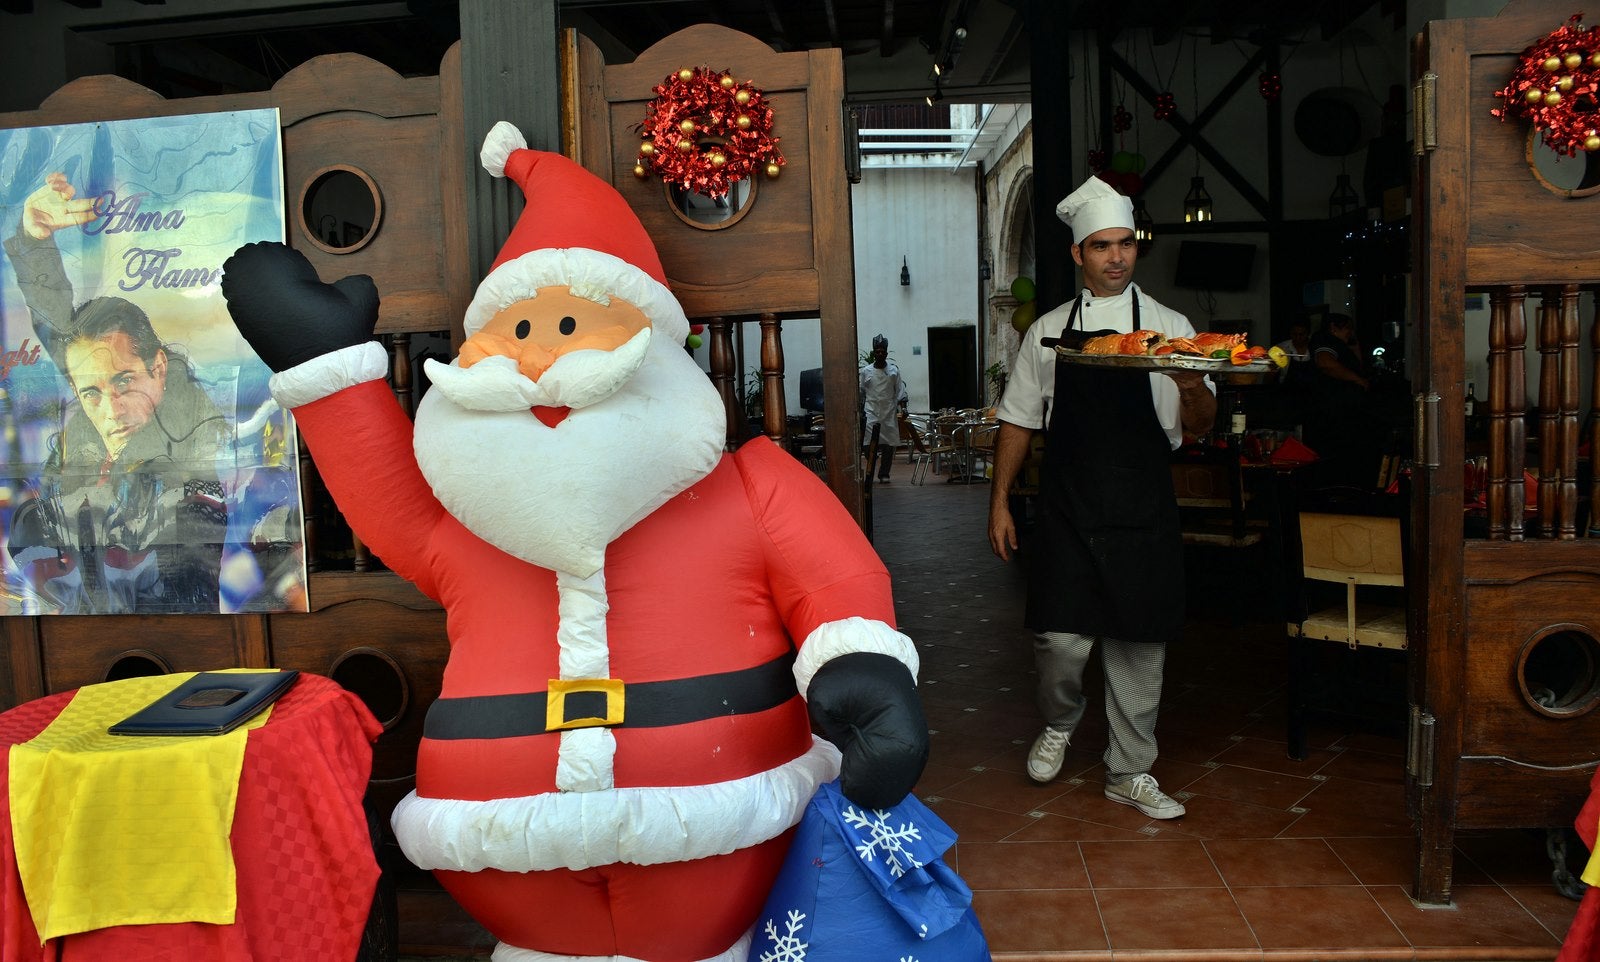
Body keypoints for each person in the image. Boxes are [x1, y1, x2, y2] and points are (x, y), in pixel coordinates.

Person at [987, 175, 1216, 820]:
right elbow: (1019, 420)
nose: (1117, 257)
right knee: (1060, 643)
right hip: (1070, 507)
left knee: (1140, 646)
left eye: (1126, 244)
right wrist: (1000, 501)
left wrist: (1187, 380)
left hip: (1142, 506)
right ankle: (1060, 722)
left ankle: (1130, 770)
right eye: (1101, 246)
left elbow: (1197, 424)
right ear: (1076, 255)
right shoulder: (1051, 334)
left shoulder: (1171, 326)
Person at [2, 172, 228, 614]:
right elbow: (62, 338)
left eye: (125, 381)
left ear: (158, 369)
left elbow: (172, 588)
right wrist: (33, 241)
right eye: (91, 392)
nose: (111, 410)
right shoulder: (86, 435)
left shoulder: (189, 453)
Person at [1304, 313, 1372, 486]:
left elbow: (1358, 364)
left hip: (1346, 412)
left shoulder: (1342, 345)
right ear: (1334, 328)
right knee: (1332, 456)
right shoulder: (1325, 340)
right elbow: (1325, 363)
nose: (1350, 332)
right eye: (1348, 328)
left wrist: (1354, 345)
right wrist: (1356, 380)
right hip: (1332, 412)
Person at [859, 333, 908, 482]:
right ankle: (872, 468)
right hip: (871, 410)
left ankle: (884, 474)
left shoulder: (894, 371)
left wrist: (904, 408)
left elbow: (900, 391)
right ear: (874, 352)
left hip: (888, 411)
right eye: (877, 350)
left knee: (889, 445)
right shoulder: (865, 371)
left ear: (886, 353)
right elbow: (861, 392)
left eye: (882, 351)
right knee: (867, 444)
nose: (880, 353)